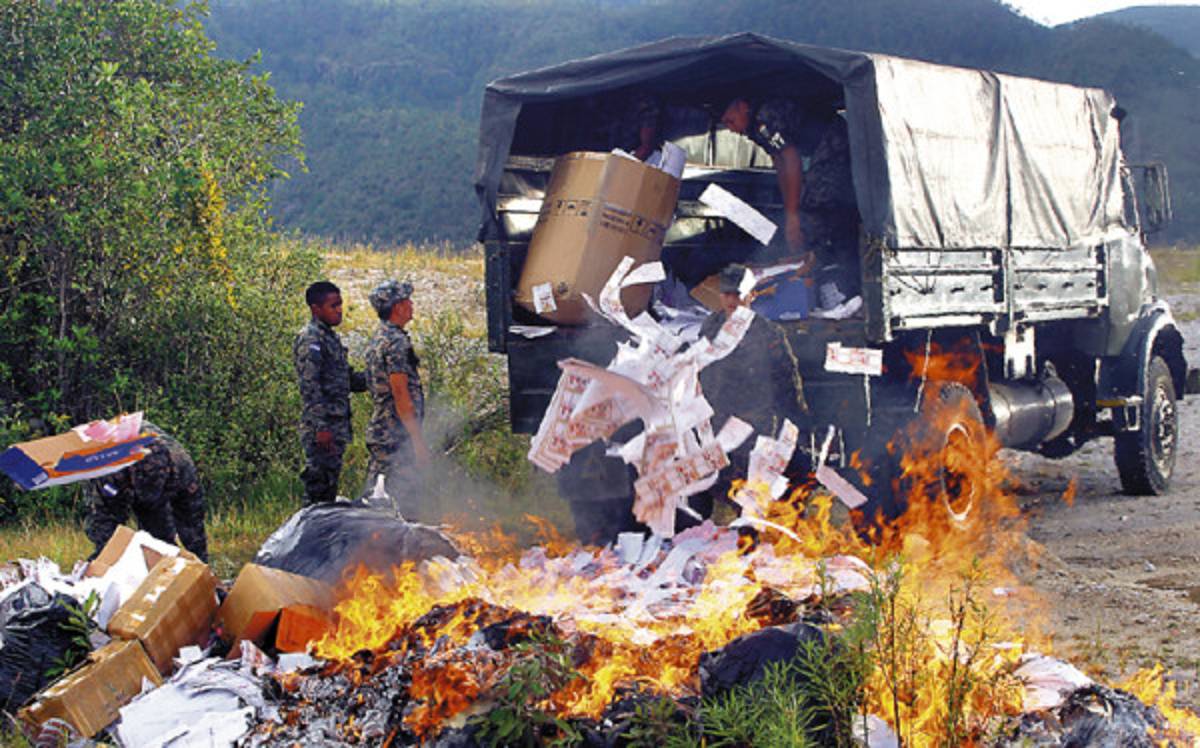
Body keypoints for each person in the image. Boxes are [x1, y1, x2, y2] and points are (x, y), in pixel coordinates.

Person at [691, 264, 811, 520]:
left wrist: (798, 420)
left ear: (751, 295)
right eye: (727, 294)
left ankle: (757, 537)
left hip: (756, 421)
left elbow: (787, 378)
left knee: (756, 487)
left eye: (738, 294)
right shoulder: (710, 327)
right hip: (719, 419)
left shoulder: (767, 332)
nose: (732, 300)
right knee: (721, 485)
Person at [721, 97, 860, 307]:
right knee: (803, 211)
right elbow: (780, 163)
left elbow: (791, 159)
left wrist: (794, 216)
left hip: (834, 142)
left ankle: (837, 285)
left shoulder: (765, 119)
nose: (730, 129)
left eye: (730, 120)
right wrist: (789, 212)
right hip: (818, 150)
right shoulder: (754, 128)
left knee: (815, 211)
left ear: (742, 107)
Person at [86, 422, 208, 561]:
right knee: (108, 546)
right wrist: (108, 559)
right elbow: (103, 517)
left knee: (161, 543)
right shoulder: (110, 471)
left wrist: (200, 563)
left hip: (161, 492)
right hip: (119, 477)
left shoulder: (181, 468)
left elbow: (192, 518)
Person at [362, 279, 430, 516]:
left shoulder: (380, 338)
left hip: (384, 432)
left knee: (377, 499)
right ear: (397, 307)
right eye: (407, 300)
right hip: (395, 436)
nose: (411, 305)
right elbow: (401, 394)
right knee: (401, 502)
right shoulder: (396, 343)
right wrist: (417, 440)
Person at [294, 281, 366, 505]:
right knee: (318, 494)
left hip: (336, 428)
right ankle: (308, 537)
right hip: (322, 430)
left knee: (328, 490)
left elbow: (346, 380)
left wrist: (378, 377)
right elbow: (310, 387)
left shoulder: (331, 338)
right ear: (316, 309)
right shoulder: (311, 339)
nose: (339, 310)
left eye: (340, 305)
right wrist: (321, 428)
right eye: (333, 306)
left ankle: (323, 537)